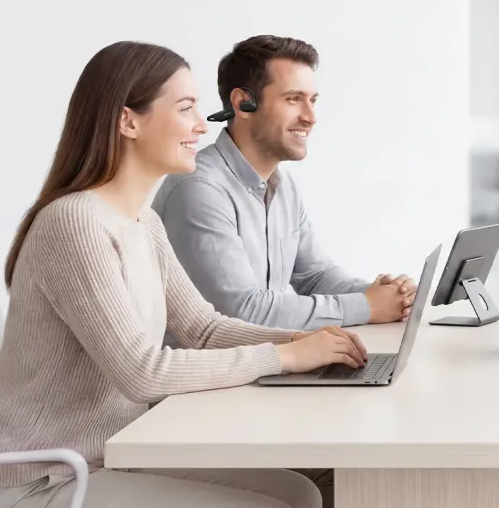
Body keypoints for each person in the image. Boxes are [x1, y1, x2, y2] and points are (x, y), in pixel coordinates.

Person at [0, 41, 369, 508]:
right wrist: (283, 359)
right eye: (185, 109)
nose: (203, 126)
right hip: (43, 485)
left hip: (110, 459)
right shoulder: (74, 224)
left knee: (301, 497)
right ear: (128, 122)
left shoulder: (144, 222)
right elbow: (142, 371)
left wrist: (302, 344)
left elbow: (203, 329)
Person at [155, 35, 415, 330]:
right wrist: (368, 306)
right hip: (214, 374)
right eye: (294, 99)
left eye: (313, 100)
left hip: (265, 367)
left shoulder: (283, 186)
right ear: (243, 103)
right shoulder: (199, 189)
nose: (310, 117)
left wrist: (385, 295)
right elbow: (243, 311)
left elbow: (315, 276)